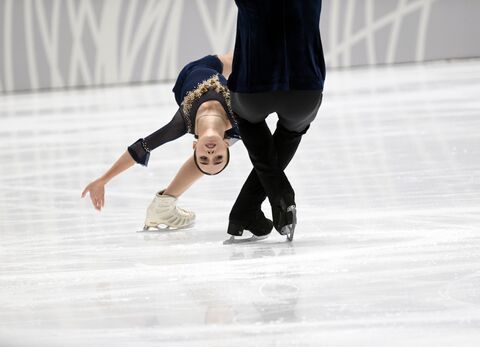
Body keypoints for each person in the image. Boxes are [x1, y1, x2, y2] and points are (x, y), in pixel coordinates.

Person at [81, 53, 265, 232]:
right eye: (218, 158)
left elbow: (139, 149)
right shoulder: (239, 116)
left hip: (189, 76)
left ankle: (164, 204)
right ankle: (165, 204)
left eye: (204, 158)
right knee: (247, 59)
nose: (210, 154)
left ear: (194, 146)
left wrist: (103, 179)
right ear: (225, 145)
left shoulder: (182, 122)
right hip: (213, 76)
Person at [225, 0, 326, 242]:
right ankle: (246, 210)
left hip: (252, 90)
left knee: (247, 120)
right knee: (291, 131)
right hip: (305, 91)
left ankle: (276, 196)